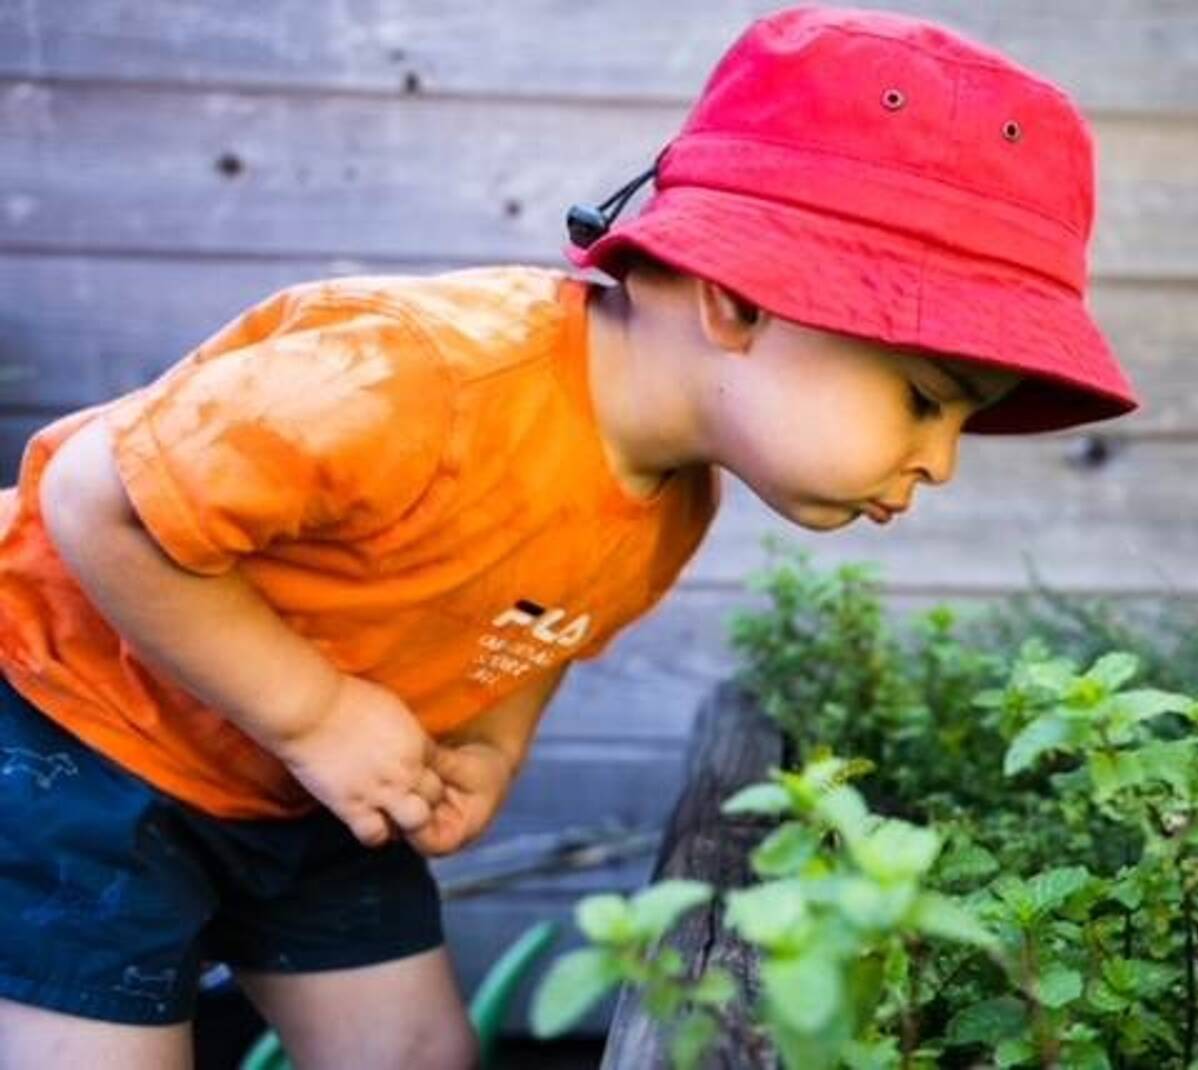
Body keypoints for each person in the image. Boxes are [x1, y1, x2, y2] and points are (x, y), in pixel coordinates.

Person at [0, 4, 1140, 1067]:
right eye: (924, 398)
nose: (939, 458)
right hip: (74, 737)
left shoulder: (672, 499)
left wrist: (489, 743)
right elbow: (97, 501)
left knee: (416, 1049)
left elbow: (538, 621)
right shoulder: (418, 379)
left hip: (306, 783)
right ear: (738, 298)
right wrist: (316, 711)